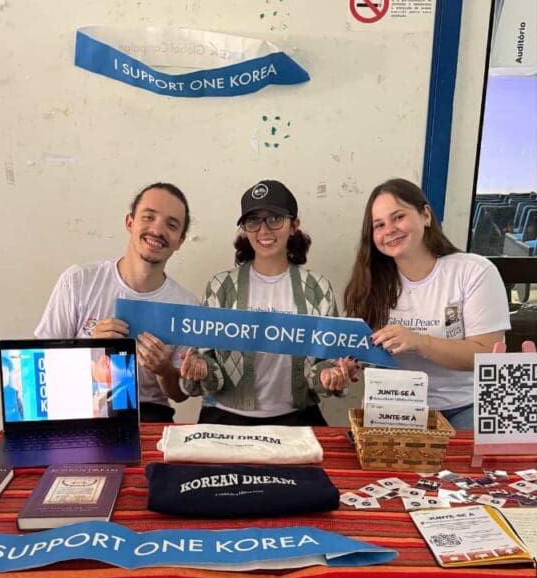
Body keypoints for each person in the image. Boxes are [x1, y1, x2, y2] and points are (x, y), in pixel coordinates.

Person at [180, 179, 359, 426]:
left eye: (274, 219)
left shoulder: (318, 288)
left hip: (297, 418)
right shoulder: (220, 287)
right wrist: (200, 367)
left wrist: (331, 374)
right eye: (253, 221)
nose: (263, 230)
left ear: (294, 225)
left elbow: (326, 359)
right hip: (224, 417)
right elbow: (205, 357)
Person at [343, 177, 511, 430]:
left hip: (466, 406)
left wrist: (420, 342)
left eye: (398, 217)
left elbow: (489, 354)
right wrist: (352, 363)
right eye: (379, 225)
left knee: (466, 468)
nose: (389, 229)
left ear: (426, 215)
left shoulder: (474, 271)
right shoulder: (368, 282)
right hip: (393, 409)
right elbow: (366, 350)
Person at [36, 182, 198, 422]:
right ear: (130, 222)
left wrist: (164, 370)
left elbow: (179, 395)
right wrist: (91, 348)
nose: (157, 230)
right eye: (148, 217)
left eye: (171, 225)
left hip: (149, 414)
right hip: (80, 406)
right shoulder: (79, 280)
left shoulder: (186, 305)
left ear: (180, 241)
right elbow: (41, 365)